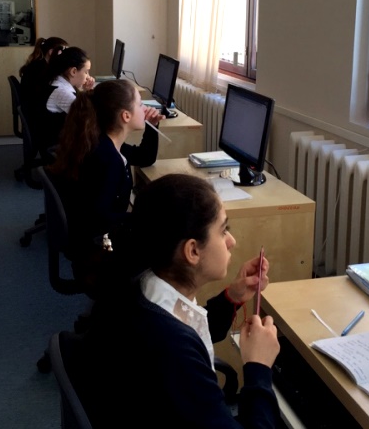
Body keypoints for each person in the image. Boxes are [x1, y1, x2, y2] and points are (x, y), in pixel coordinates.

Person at [77, 173, 282, 427]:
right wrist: (259, 367)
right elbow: (180, 344)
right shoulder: (171, 348)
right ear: (192, 250)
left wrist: (232, 297)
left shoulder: (143, 286)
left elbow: (187, 326)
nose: (232, 241)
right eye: (223, 231)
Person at [48, 79, 162, 289]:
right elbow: (99, 217)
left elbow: (144, 157)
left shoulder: (103, 142)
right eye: (139, 104)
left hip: (89, 239)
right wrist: (141, 218)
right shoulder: (108, 159)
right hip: (96, 251)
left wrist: (152, 127)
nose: (145, 108)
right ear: (125, 116)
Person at [18, 36, 68, 160]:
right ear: (51, 52)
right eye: (64, 52)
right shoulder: (41, 70)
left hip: (35, 117)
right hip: (41, 123)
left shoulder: (40, 65)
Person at [46, 46, 94, 115]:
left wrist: (86, 91)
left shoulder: (58, 82)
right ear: (73, 71)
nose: (88, 77)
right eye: (86, 72)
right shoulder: (62, 92)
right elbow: (87, 115)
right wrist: (90, 93)